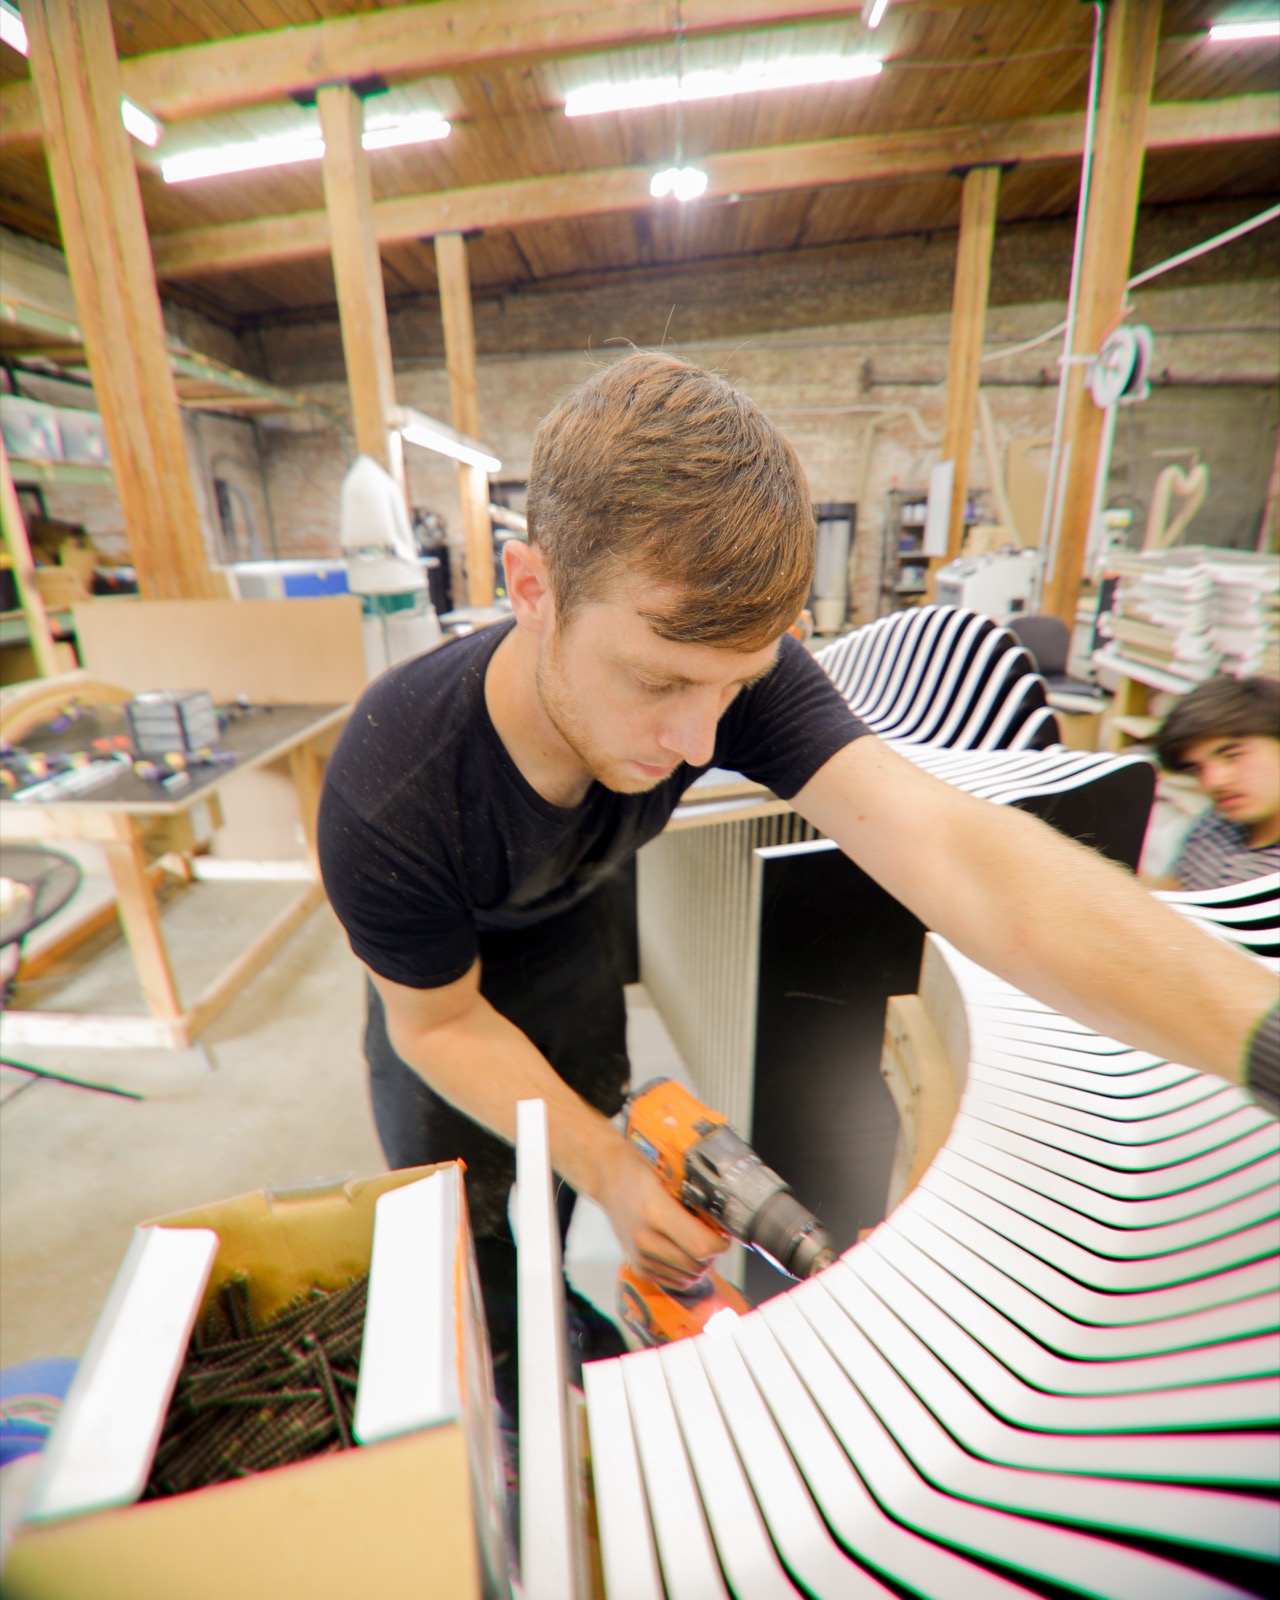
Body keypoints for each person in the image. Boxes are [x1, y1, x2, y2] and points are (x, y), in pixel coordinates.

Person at [317, 352, 1279, 1425]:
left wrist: (1259, 1033)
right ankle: (504, 1361)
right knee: (476, 1221)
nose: (696, 740)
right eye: (656, 681)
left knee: (572, 1152)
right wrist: (615, 1174)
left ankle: (560, 1315)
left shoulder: (725, 673)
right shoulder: (388, 792)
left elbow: (954, 850)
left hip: (567, 924)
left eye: (730, 688)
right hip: (436, 995)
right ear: (531, 587)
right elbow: (439, 1021)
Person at [1153, 675, 1280, 891]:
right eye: (1197, 769)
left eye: (1232, 755)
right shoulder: (1214, 824)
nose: (1212, 782)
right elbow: (1177, 891)